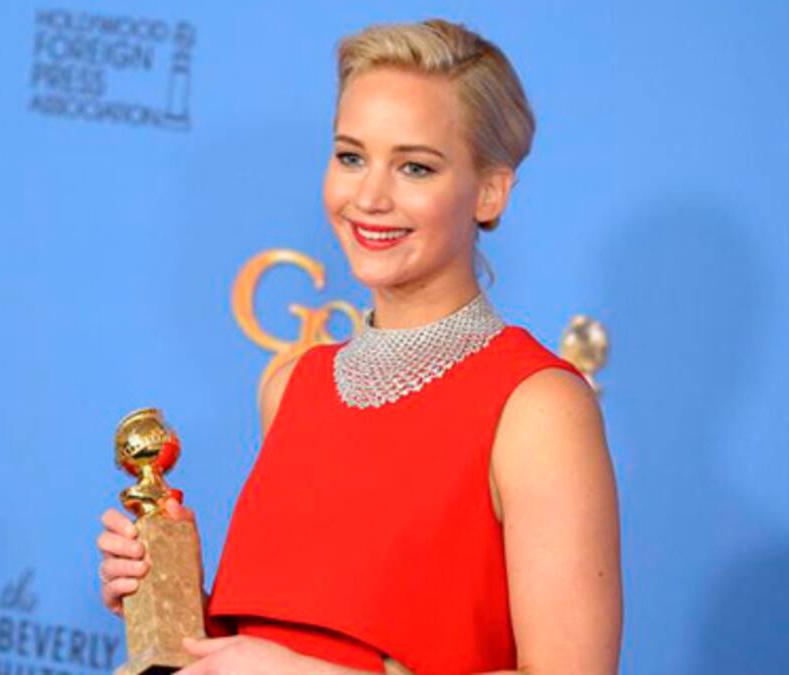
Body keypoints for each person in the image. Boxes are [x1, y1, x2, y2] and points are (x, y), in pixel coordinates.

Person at [97, 18, 621, 675]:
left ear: (490, 191)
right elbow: (294, 643)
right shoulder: (292, 384)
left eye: (415, 167)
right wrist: (170, 604)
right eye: (351, 156)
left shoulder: (537, 407)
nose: (370, 197)